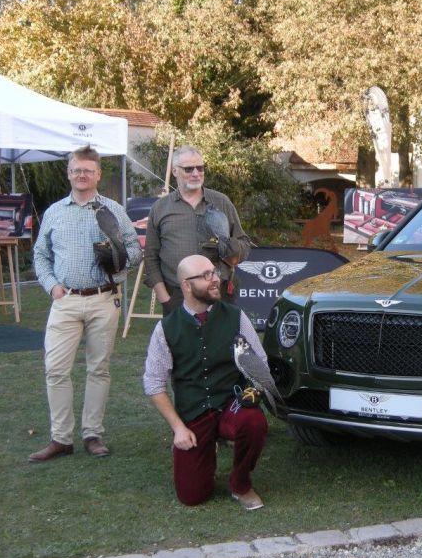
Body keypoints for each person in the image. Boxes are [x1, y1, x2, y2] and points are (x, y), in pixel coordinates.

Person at [30, 145, 142, 462]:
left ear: (98, 174)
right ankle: (61, 439)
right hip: (65, 301)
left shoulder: (113, 210)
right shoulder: (54, 212)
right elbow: (40, 254)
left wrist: (118, 263)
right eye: (77, 170)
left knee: (99, 369)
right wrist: (52, 287)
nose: (82, 175)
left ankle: (92, 434)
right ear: (68, 173)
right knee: (55, 370)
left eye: (88, 170)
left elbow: (136, 250)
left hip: (103, 298)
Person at [142, 254, 269, 508]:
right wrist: (178, 428)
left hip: (231, 403)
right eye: (206, 275)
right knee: (193, 496)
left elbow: (260, 362)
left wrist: (252, 392)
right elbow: (154, 385)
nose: (215, 280)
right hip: (193, 412)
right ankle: (203, 454)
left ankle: (241, 483)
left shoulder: (236, 317)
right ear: (186, 285)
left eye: (214, 272)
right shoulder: (166, 328)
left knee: (254, 422)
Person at [144, 146, 251, 315]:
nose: (196, 173)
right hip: (178, 295)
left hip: (218, 292)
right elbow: (150, 257)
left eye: (200, 168)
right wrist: (166, 300)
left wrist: (230, 249)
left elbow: (244, 244)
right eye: (188, 169)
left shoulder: (221, 202)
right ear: (175, 171)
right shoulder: (160, 208)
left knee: (222, 333)